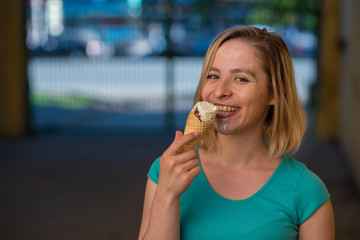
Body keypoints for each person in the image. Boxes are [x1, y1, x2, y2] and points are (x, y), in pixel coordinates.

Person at [138, 26, 335, 240]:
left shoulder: (305, 191)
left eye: (240, 79)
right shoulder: (166, 171)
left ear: (275, 94)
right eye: (213, 76)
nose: (220, 91)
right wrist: (167, 194)